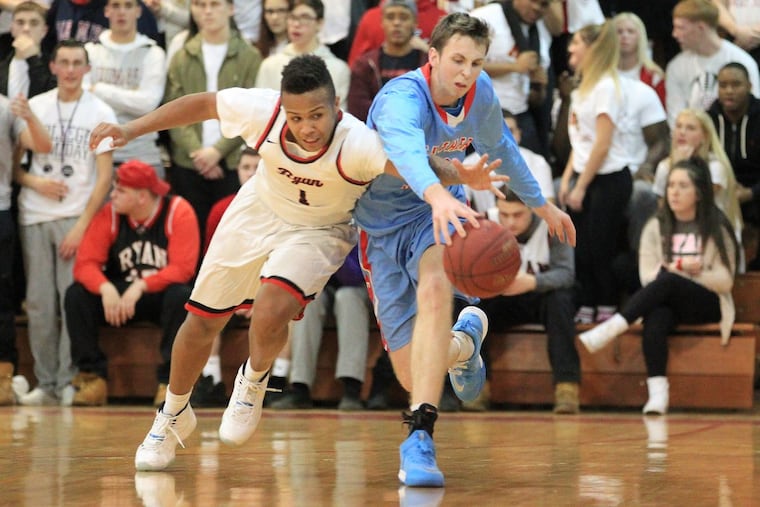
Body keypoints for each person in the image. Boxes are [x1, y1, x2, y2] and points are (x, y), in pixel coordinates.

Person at [87, 54, 502, 472]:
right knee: (200, 322)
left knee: (270, 308)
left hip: (319, 230)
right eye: (296, 117)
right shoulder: (262, 110)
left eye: (317, 116)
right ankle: (173, 414)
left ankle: (252, 380)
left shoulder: (358, 143)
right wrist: (131, 128)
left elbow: (415, 164)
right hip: (258, 210)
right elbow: (202, 104)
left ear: (336, 106)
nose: (306, 127)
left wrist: (462, 176)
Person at [352, 13, 575, 487]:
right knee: (414, 374)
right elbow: (408, 153)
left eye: (475, 62)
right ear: (431, 57)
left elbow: (503, 150)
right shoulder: (400, 98)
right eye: (457, 60)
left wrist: (542, 205)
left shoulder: (481, 92)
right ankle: (464, 344)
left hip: (441, 213)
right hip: (382, 228)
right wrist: (433, 192)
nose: (466, 72)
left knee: (435, 288)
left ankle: (419, 435)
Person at [579, 157, 739, 415]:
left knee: (668, 279)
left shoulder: (715, 226)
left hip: (707, 302)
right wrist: (679, 271)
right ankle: (657, 393)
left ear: (698, 193)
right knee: (656, 315)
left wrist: (682, 274)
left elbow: (725, 280)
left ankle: (614, 326)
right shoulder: (655, 226)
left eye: (683, 186)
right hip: (666, 298)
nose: (674, 191)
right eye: (671, 185)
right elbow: (646, 278)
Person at [13, 39, 116, 405]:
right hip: (34, 215)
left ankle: (70, 381)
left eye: (78, 63)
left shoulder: (101, 112)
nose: (71, 69)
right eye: (64, 62)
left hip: (75, 217)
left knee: (69, 301)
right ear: (53, 67)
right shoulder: (36, 106)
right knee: (39, 302)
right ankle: (46, 383)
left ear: (88, 69)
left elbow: (104, 178)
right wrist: (33, 181)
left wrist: (81, 225)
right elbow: (14, 164)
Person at [63, 160, 198, 406]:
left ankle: (170, 383)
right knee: (76, 295)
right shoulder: (110, 214)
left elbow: (183, 269)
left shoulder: (178, 211)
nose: (112, 194)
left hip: (157, 296)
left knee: (182, 296)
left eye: (120, 190)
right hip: (119, 297)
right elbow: (84, 264)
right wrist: (105, 288)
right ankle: (92, 377)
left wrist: (141, 286)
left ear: (142, 197)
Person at [165, 0, 261, 240]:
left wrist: (217, 152)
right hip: (189, 162)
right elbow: (175, 109)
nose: (207, 11)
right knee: (189, 235)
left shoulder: (249, 55)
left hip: (232, 162)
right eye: (200, 4)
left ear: (230, 9)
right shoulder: (182, 55)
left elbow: (253, 112)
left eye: (214, 4)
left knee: (229, 236)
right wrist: (198, 152)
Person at [478, 186, 579, 413]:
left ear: (532, 210)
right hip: (501, 300)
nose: (510, 222)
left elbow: (566, 274)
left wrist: (532, 282)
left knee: (560, 300)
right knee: (472, 305)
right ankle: (477, 387)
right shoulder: (485, 224)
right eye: (504, 215)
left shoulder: (552, 224)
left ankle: (567, 387)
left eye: (518, 215)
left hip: (537, 298)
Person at [558, 22, 634, 325]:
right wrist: (567, 179)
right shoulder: (582, 89)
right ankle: (587, 301)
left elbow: (602, 145)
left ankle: (607, 304)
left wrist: (581, 186)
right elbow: (582, 142)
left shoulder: (606, 87)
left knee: (601, 247)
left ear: (592, 48)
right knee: (582, 248)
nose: (570, 49)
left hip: (610, 179)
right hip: (585, 176)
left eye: (576, 43)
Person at [190, 146, 260, 408]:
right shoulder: (221, 208)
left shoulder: (283, 208)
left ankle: (278, 378)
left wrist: (255, 297)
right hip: (232, 286)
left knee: (288, 304)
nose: (251, 174)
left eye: (257, 168)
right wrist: (236, 296)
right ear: (237, 171)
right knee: (205, 302)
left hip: (268, 286)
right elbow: (213, 262)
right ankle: (211, 379)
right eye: (245, 168)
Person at [270, 245, 371, 411]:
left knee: (347, 298)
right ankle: (299, 386)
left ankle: (352, 387)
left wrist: (335, 252)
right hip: (324, 287)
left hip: (358, 285)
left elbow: (352, 277)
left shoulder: (357, 226)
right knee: (309, 303)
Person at [0, 89, 53, 405]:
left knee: (2, 299)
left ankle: (4, 376)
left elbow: (42, 146)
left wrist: (28, 116)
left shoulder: (6, 107)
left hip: (0, 208)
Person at [83, 0, 167, 177]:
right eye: (115, 5)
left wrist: (98, 89)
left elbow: (147, 103)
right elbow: (83, 99)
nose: (121, 12)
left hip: (142, 154)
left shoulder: (153, 53)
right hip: (96, 154)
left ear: (138, 11)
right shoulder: (90, 51)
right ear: (106, 11)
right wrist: (130, 98)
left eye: (128, 6)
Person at [652, 108, 743, 258]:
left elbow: (692, 205)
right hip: (677, 236)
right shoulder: (664, 167)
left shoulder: (716, 168)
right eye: (679, 126)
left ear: (704, 136)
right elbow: (665, 210)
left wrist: (682, 164)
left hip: (714, 236)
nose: (682, 132)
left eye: (690, 128)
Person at [470, 0, 555, 156]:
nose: (536, 7)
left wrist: (540, 87)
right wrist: (514, 67)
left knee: (535, 168)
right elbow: (462, 66)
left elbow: (535, 99)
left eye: (543, 4)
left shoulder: (542, 33)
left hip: (520, 114)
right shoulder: (484, 18)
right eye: (533, 1)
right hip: (480, 114)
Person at [666, 0, 759, 127]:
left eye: (680, 28)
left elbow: (753, 113)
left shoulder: (741, 61)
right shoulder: (676, 66)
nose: (674, 34)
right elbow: (674, 118)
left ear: (700, 28)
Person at [708, 62, 760, 269]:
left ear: (749, 86)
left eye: (735, 84)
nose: (729, 91)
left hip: (754, 190)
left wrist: (751, 193)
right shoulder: (708, 119)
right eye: (723, 85)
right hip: (718, 189)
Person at [255, 0, 350, 109]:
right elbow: (261, 109)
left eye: (305, 17)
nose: (296, 24)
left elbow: (341, 114)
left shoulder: (338, 68)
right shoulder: (269, 65)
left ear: (320, 23)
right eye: (292, 17)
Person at [347, 0, 427, 122]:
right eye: (390, 17)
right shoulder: (364, 65)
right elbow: (357, 109)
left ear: (415, 23)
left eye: (404, 17)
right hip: (374, 134)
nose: (396, 23)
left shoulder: (427, 63)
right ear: (382, 22)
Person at [0, 2, 55, 99]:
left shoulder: (54, 67)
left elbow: (49, 97)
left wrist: (32, 58)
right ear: (12, 29)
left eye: (34, 23)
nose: (26, 29)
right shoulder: (2, 66)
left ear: (44, 31)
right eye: (20, 23)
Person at [614, 11, 666, 107]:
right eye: (619, 32)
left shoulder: (655, 77)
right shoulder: (601, 74)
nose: (624, 36)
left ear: (640, 36)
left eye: (630, 31)